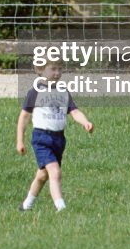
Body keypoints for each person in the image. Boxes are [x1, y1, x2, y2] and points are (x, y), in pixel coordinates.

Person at [16, 62, 94, 211]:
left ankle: (26, 205)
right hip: (42, 138)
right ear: (40, 70)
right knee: (55, 172)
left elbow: (74, 111)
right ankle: (61, 207)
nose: (57, 72)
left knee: (42, 176)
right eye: (53, 69)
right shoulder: (35, 92)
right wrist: (20, 141)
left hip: (59, 139)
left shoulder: (63, 91)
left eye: (60, 69)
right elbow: (24, 117)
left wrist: (85, 122)